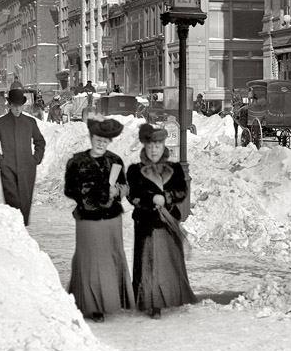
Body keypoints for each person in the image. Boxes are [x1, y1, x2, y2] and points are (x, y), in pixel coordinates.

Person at [64, 117, 134, 322]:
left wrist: (117, 191)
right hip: (88, 218)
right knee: (90, 260)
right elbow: (69, 190)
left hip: (111, 219)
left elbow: (125, 187)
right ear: (91, 137)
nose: (101, 142)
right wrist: (99, 192)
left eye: (105, 139)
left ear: (109, 141)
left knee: (110, 258)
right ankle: (91, 305)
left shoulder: (116, 160)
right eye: (97, 138)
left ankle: (113, 300)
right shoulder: (76, 162)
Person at [125, 123, 197, 318]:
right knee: (149, 266)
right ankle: (152, 303)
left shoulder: (174, 169)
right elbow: (132, 195)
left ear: (163, 146)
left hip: (167, 223)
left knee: (168, 263)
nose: (154, 150)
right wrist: (151, 200)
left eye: (157, 145)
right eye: (150, 146)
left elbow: (182, 191)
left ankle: (172, 297)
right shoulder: (134, 170)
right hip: (146, 223)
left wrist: (167, 197)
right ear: (144, 148)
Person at [0, 87, 47, 226]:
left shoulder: (30, 122)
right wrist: (0, 161)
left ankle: (23, 229)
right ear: (10, 105)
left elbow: (40, 142)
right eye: (15, 106)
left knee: (25, 201)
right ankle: (14, 228)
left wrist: (35, 158)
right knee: (12, 200)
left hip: (27, 167)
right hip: (8, 167)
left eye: (20, 106)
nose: (18, 109)